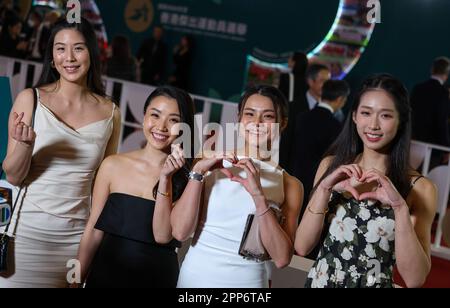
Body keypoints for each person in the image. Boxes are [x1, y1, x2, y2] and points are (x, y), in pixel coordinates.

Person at [0, 17, 121, 288]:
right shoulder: (30, 99)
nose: (69, 57)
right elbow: (14, 176)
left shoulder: (111, 112)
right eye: (60, 49)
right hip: (24, 235)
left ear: (92, 53)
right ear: (51, 57)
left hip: (74, 241)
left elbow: (103, 190)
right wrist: (25, 145)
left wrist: (84, 259)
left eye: (78, 48)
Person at [295, 74, 437, 288]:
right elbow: (302, 246)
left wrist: (399, 207)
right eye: (366, 113)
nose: (373, 125)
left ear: (401, 121)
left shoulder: (419, 188)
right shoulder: (330, 167)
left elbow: (415, 279)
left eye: (386, 116)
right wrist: (324, 188)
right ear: (354, 116)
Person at [173, 85, 303, 288]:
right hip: (196, 277)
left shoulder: (290, 184)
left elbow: (282, 258)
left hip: (249, 283)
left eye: (267, 116)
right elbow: (179, 232)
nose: (257, 123)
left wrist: (259, 197)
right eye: (249, 114)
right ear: (239, 118)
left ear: (282, 123)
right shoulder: (209, 160)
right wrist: (197, 172)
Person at [77, 86, 195, 288]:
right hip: (105, 275)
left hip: (157, 279)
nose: (161, 126)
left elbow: (165, 235)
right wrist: (74, 279)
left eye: (173, 120)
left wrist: (167, 177)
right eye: (155, 115)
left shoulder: (187, 177)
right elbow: (92, 231)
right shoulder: (112, 165)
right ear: (144, 117)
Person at [292, 80, 349, 224]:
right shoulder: (336, 127)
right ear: (340, 99)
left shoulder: (301, 117)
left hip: (293, 177)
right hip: (316, 184)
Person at [410, 57, 450, 168]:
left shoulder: (418, 88)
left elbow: (409, 114)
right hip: (432, 148)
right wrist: (446, 148)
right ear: (446, 74)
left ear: (432, 70)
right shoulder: (443, 93)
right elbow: (441, 122)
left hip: (412, 142)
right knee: (425, 181)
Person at [278, 51, 308, 172]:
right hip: (303, 116)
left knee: (284, 146)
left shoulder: (286, 77)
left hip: (289, 114)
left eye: (290, 59)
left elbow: (280, 97)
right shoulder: (307, 80)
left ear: (294, 62)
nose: (288, 61)